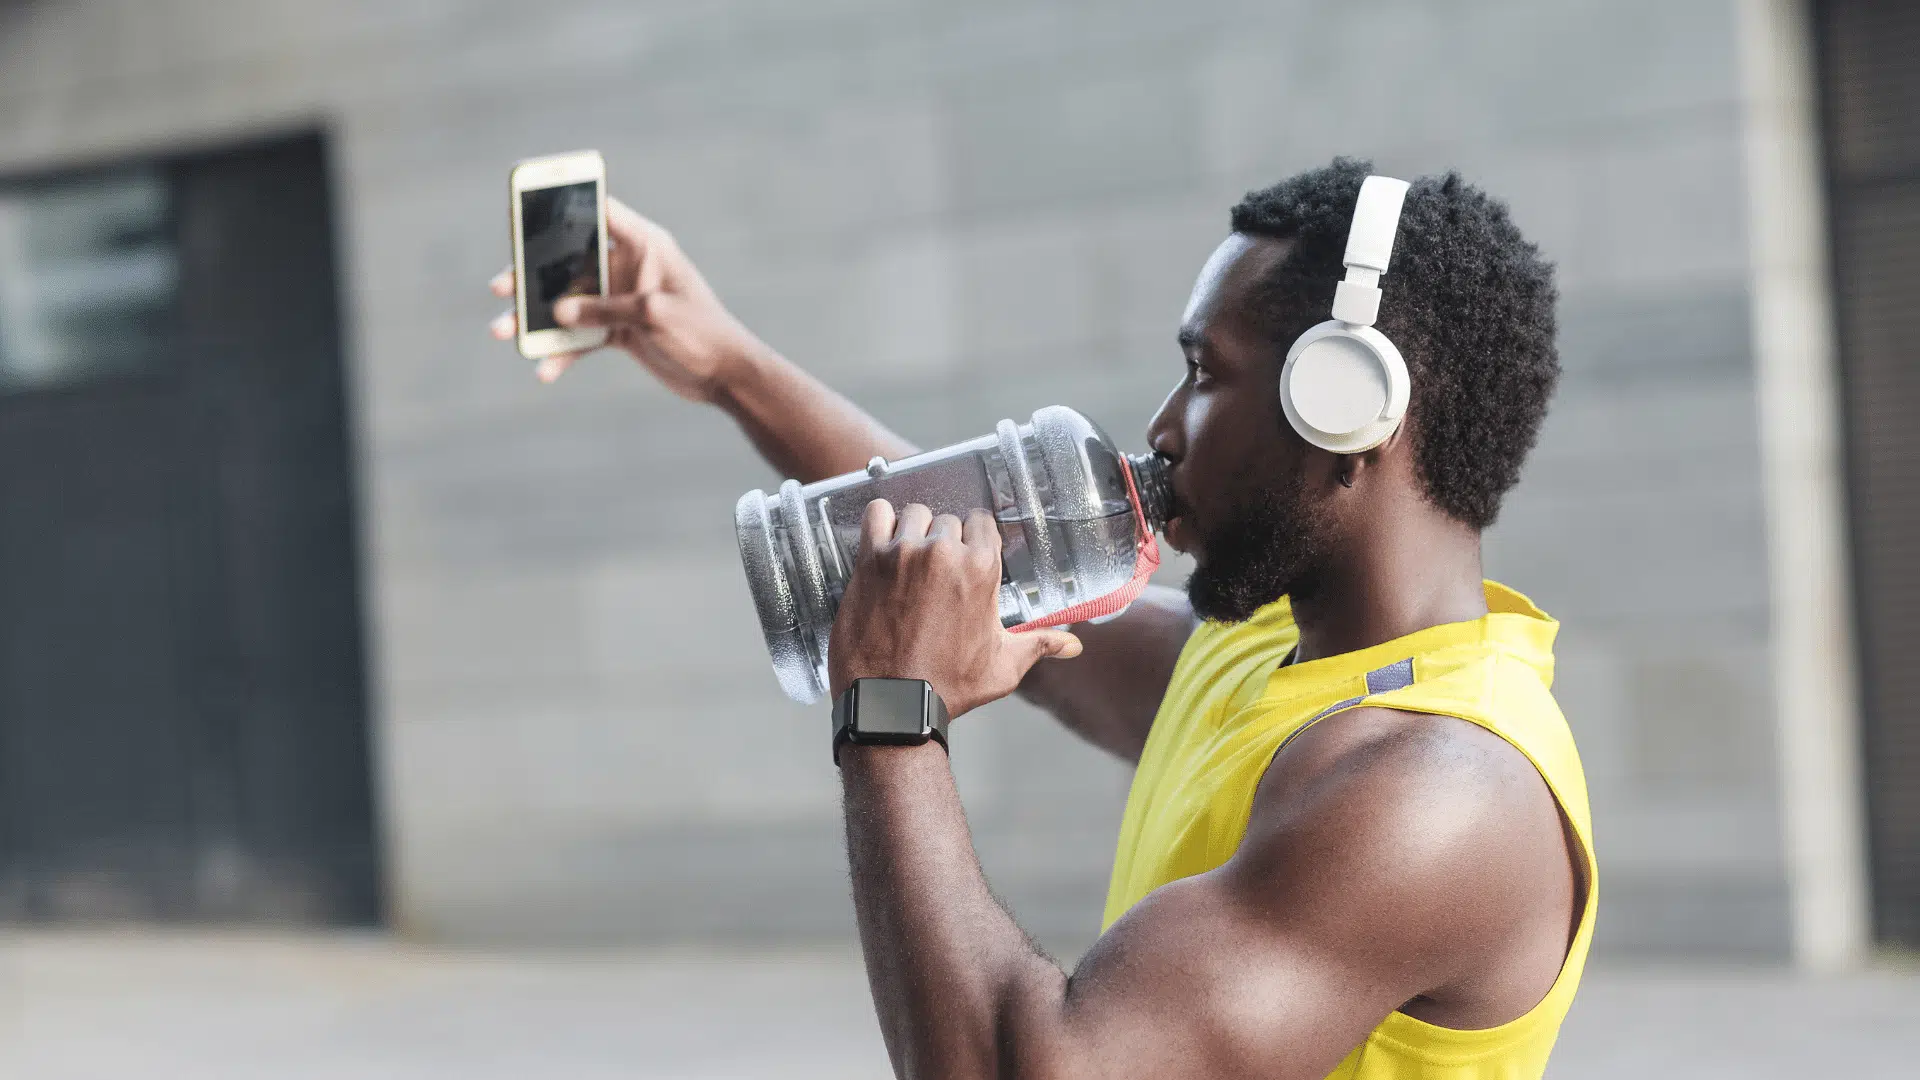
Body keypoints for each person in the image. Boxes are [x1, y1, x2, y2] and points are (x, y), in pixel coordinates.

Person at [487, 157, 1591, 1080]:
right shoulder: (1286, 657)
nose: (1161, 428)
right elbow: (1004, 596)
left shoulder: (1436, 795)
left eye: (1204, 373)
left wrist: (890, 715)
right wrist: (728, 365)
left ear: (1345, 405)